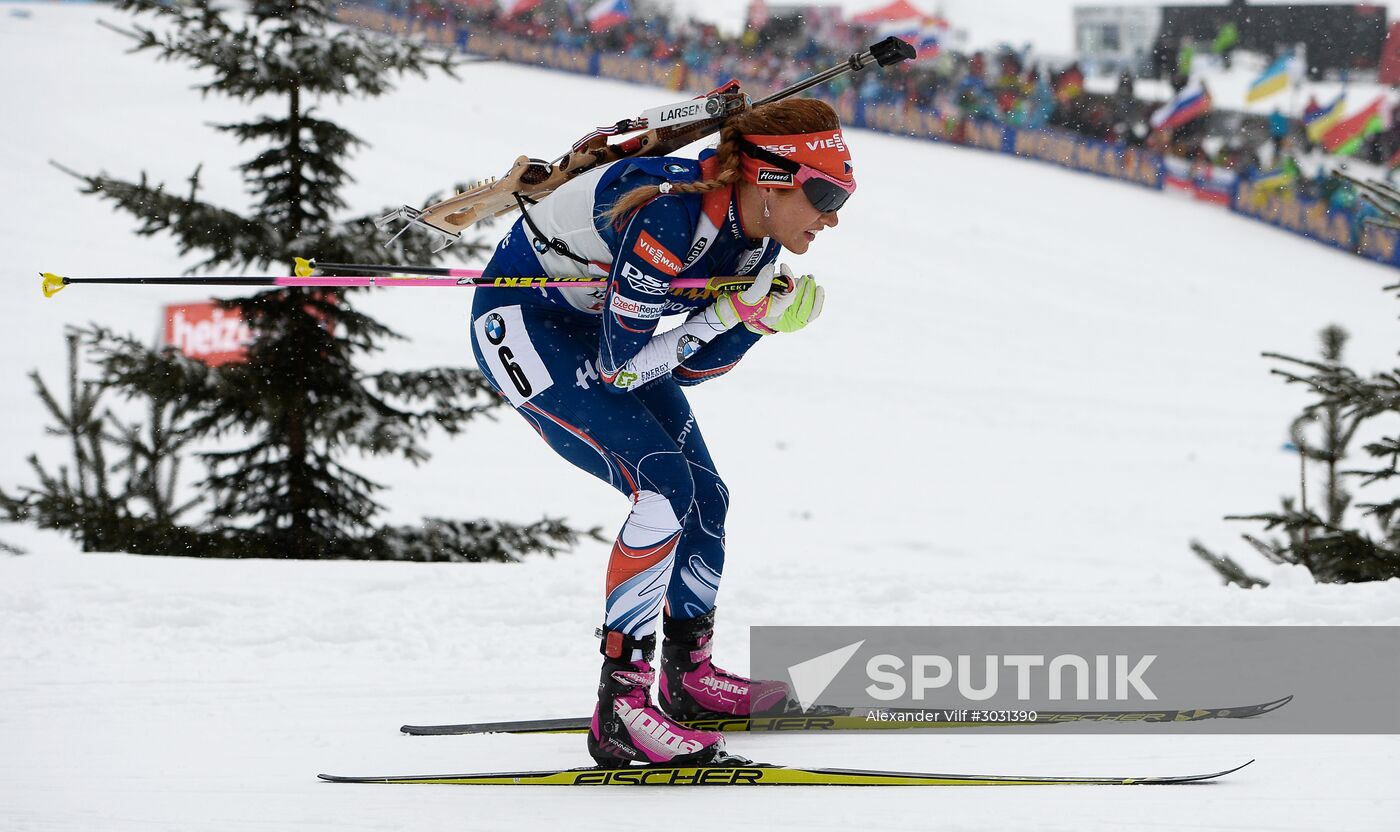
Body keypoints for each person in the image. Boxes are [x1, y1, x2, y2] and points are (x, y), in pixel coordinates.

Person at [467, 97, 853, 767]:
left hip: (605, 335)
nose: (833, 215)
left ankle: (689, 678)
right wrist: (728, 312)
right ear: (768, 178)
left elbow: (695, 368)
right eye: (823, 192)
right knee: (664, 491)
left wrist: (755, 322)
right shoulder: (670, 216)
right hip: (527, 327)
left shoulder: (757, 244)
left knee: (708, 499)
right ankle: (619, 706)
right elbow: (621, 370)